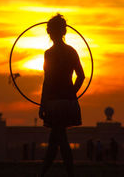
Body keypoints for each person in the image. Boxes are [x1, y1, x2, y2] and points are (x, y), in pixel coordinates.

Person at [39, 14, 85, 177]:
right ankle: (43, 173)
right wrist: (72, 93)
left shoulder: (49, 54)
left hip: (55, 103)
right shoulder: (70, 51)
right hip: (65, 102)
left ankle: (67, 173)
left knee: (61, 141)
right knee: (55, 140)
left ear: (50, 32)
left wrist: (43, 104)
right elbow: (81, 76)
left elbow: (47, 81)